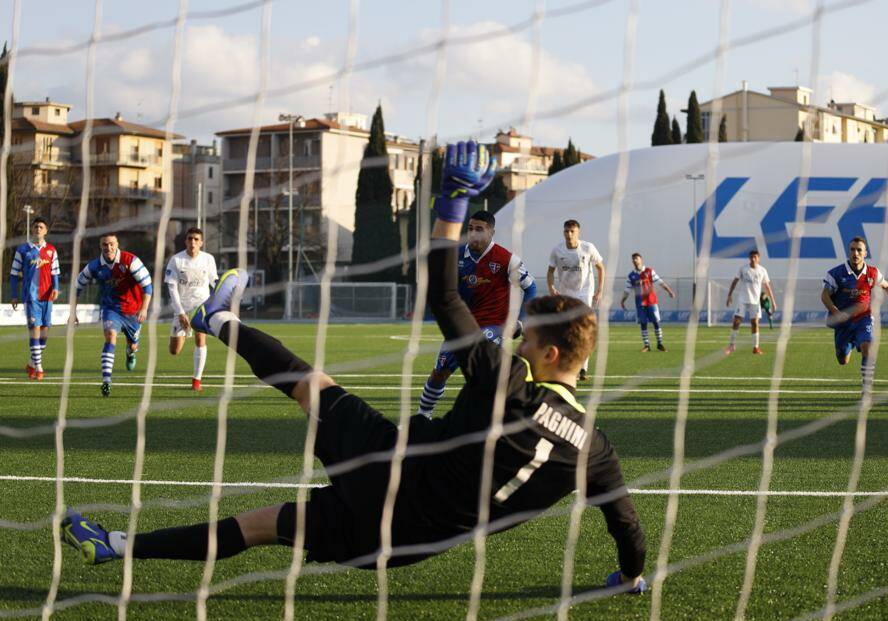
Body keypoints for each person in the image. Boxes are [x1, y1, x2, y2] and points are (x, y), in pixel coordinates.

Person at [60, 140, 647, 595]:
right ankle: (114, 544)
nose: (517, 345)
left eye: (527, 341)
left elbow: (444, 296)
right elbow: (627, 528)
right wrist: (629, 576)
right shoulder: (596, 449)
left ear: (547, 355)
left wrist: (452, 202)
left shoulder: (507, 381)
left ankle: (215, 320)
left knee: (311, 385)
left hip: (390, 469)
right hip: (406, 543)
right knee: (262, 526)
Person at [417, 209, 536, 418]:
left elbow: (531, 288)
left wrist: (520, 323)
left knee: (485, 375)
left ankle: (498, 418)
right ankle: (423, 414)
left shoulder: (506, 259)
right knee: (440, 372)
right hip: (461, 324)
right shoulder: (456, 256)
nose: (473, 233)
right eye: (470, 228)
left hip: (493, 326)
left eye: (479, 229)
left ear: (491, 232)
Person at [822, 236, 888, 395]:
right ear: (848, 252)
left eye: (859, 250)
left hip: (864, 318)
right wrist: (835, 311)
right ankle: (848, 348)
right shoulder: (836, 273)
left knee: (868, 347)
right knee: (842, 360)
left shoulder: (873, 273)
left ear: (865, 253)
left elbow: (887, 287)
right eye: (852, 250)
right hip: (843, 323)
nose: (855, 253)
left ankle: (867, 388)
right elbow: (825, 295)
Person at [72, 233, 153, 397]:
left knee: (133, 345)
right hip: (111, 309)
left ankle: (130, 353)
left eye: (111, 244)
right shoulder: (95, 266)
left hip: (133, 310)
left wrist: (144, 309)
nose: (108, 248)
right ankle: (106, 381)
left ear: (117, 244)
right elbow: (77, 286)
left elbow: (147, 285)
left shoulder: (131, 261)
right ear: (100, 246)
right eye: (104, 245)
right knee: (110, 336)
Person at [547, 219, 604, 381]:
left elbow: (601, 268)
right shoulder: (557, 250)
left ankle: (583, 369)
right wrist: (551, 287)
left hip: (585, 293)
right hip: (566, 293)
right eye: (566, 231)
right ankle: (567, 364)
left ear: (578, 232)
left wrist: (599, 290)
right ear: (563, 232)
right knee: (566, 331)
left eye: (572, 231)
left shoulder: (588, 248)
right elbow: (550, 271)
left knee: (583, 328)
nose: (569, 234)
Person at [165, 227, 219, 391]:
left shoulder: (208, 259)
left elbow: (214, 282)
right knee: (174, 351)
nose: (193, 242)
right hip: (182, 307)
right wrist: (180, 312)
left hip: (201, 306)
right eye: (190, 239)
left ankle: (196, 380)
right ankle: (182, 332)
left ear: (201, 242)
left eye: (196, 239)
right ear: (185, 241)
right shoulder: (176, 260)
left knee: (200, 339)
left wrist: (222, 296)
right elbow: (172, 289)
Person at [8, 217, 60, 380]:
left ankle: (31, 362)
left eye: (41, 227)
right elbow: (14, 274)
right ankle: (39, 367)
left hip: (47, 296)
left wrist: (56, 288)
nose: (38, 229)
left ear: (46, 231)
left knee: (44, 332)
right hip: (31, 297)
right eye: (36, 226)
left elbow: (55, 272)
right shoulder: (23, 250)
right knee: (35, 330)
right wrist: (14, 295)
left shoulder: (51, 250)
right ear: (32, 229)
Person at [619, 252, 675, 352]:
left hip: (651, 302)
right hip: (640, 303)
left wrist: (669, 291)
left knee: (656, 322)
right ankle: (647, 345)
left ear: (641, 259)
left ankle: (660, 344)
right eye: (633, 259)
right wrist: (623, 301)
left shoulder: (649, 271)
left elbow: (660, 282)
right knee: (643, 324)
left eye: (636, 258)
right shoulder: (631, 276)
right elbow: (627, 290)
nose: (634, 260)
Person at [724, 250, 776, 356]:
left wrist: (773, 301)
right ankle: (731, 345)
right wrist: (729, 295)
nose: (753, 259)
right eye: (751, 257)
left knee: (755, 323)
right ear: (749, 258)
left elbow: (767, 287)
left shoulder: (762, 270)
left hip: (755, 301)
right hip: (743, 300)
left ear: (758, 258)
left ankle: (755, 348)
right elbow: (735, 281)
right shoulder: (743, 269)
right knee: (736, 322)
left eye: (755, 257)